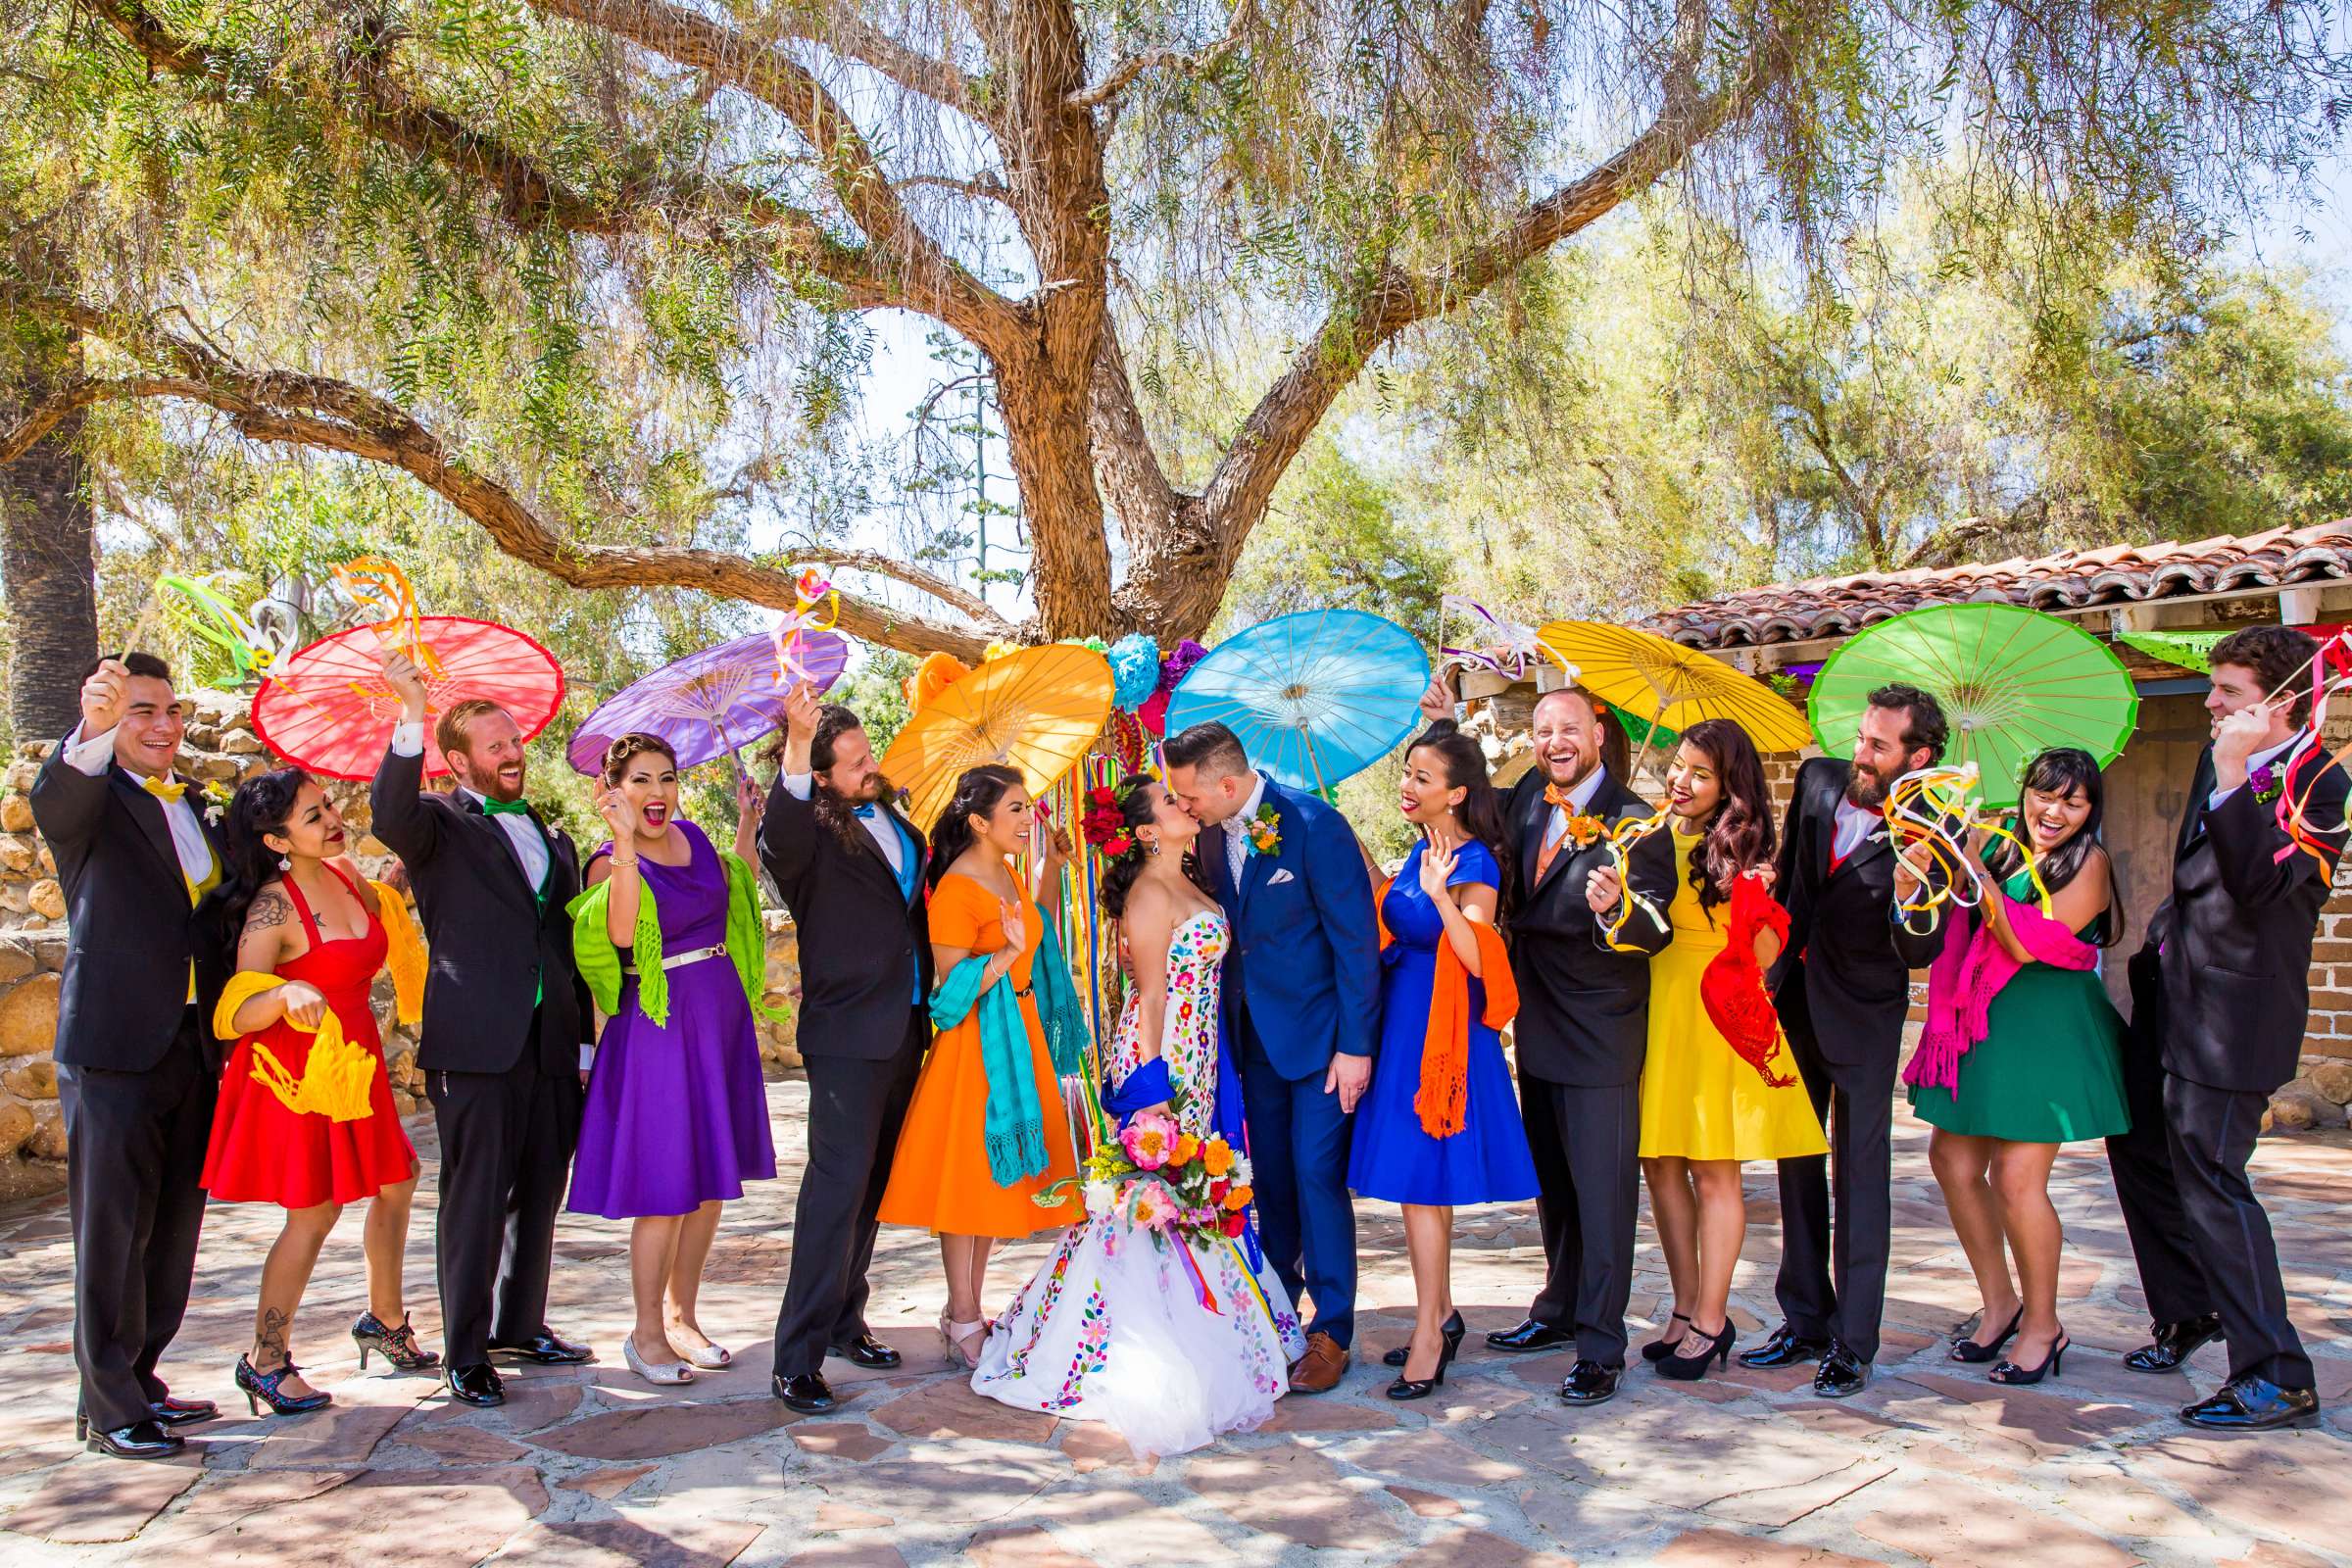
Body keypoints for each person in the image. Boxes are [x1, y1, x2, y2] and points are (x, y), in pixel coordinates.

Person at [973, 774, 1305, 1455]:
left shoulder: (1192, 878)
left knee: (1189, 1195)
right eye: (1169, 802)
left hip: (1204, 1058)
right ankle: (1148, 1339)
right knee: (1153, 1200)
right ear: (1147, 830)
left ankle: (1211, 1324)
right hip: (1165, 1060)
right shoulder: (1150, 895)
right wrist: (1153, 1087)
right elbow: (1149, 997)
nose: (1184, 804)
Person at [2107, 625, 2347, 1430]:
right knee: (2138, 1147)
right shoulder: (2221, 765)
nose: (2211, 703)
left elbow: (2259, 891)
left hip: (2234, 1020)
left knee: (2215, 1183)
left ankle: (2277, 1374)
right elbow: (2194, 883)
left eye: (2229, 692)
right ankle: (2190, 1310)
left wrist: (2239, 773)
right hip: (2172, 1003)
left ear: (2279, 704)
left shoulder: (2321, 783)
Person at [1431, 677, 1676, 1409]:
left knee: (1602, 1197)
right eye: (1542, 731)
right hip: (1535, 1025)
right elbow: (1463, 808)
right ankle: (1558, 1311)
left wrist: (1617, 910)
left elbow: (1654, 929)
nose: (1554, 743)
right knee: (1558, 1188)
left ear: (1599, 734)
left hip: (1601, 1031)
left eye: (1568, 729)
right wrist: (1447, 733)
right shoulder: (1523, 802)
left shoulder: (1639, 822)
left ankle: (1601, 1347)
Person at [371, 651, 596, 1409]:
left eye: (514, 740)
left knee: (539, 1189)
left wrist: (585, 1041)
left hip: (551, 1043)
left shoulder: (551, 834)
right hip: (475, 1044)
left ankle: (519, 1325)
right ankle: (465, 1352)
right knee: (473, 1198)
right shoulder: (434, 824)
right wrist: (409, 716)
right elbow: (388, 816)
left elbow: (565, 943)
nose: (512, 753)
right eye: (495, 745)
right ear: (458, 760)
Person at [29, 654, 232, 1459]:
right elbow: (56, 794)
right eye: (141, 711)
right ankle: (108, 1406)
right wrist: (90, 726)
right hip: (114, 1045)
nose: (162, 725)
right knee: (111, 1229)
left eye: (170, 710)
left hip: (191, 1042)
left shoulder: (196, 805)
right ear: (112, 717)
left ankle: (143, 1379)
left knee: (174, 1224)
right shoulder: (88, 800)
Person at [1589, 719, 1826, 1384]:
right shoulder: (1651, 835)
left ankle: (1714, 1318)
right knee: (1661, 1164)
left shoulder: (1747, 854)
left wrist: (1755, 902)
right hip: (1660, 1007)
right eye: (1677, 766)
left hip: (1715, 1015)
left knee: (1714, 1170)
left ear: (1729, 785)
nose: (1680, 780)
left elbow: (1765, 956)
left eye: (1699, 772)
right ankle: (1686, 1305)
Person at [203, 769, 438, 1415]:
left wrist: (390, 888)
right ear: (278, 842)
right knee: (315, 1210)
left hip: (354, 1056)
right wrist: (280, 992)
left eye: (328, 804)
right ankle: (265, 1360)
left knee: (400, 1177)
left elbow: (378, 929)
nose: (333, 819)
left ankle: (384, 1321)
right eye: (313, 816)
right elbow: (236, 1006)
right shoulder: (273, 908)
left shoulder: (344, 876)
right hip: (300, 1071)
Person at [1742, 683, 1947, 1398]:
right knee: (1795, 1163)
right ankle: (1804, 1320)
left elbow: (1920, 949)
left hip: (1864, 1015)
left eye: (1878, 746)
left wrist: (1915, 892)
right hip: (1795, 1001)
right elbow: (1798, 889)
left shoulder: (1935, 833)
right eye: (1861, 737)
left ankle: (1853, 1344)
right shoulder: (1819, 781)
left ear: (1917, 756)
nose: (1860, 753)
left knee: (1860, 1179)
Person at [1165, 721, 1382, 1394]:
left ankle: (1333, 1329)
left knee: (1318, 1175)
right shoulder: (1206, 833)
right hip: (1250, 1041)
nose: (1185, 807)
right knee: (1275, 1179)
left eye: (1189, 796)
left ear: (1227, 785)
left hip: (1321, 1042)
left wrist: (1355, 1048)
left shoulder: (1316, 825)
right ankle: (1279, 1310)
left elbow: (1355, 944)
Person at [1900, 747, 2128, 1386]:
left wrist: (1978, 873)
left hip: (2045, 1032)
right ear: (2024, 790)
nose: (2052, 811)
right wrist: (1939, 859)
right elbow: (1949, 918)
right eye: (2043, 794)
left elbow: (2027, 941)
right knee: (1952, 1160)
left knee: (2018, 1179)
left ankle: (2043, 1325)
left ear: (2090, 810)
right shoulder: (1996, 844)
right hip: (1984, 1023)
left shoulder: (2091, 863)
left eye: (2071, 801)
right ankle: (2000, 1304)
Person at [568, 734, 779, 1384]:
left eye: (665, 778)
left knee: (710, 1183)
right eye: (640, 781)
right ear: (615, 791)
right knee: (665, 1189)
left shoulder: (693, 838)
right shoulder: (609, 863)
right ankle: (645, 1335)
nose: (656, 792)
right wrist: (626, 843)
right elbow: (625, 935)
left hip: (717, 1022)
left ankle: (683, 1317)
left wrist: (747, 821)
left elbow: (731, 889)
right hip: (658, 1029)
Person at [1348, 720, 1536, 1399]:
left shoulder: (1475, 862)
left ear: (1455, 793)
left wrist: (1435, 896)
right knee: (1413, 1185)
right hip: (1404, 1027)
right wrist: (1371, 861)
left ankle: (1431, 1333)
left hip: (1444, 1037)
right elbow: (1390, 919)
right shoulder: (1418, 852)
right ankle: (1443, 1313)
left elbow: (1478, 953)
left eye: (1422, 778)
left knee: (1426, 1187)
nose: (1408, 786)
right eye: (1408, 773)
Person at [875, 764, 1086, 1368]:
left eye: (1027, 807)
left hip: (1021, 1037)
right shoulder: (958, 887)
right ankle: (961, 1310)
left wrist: (1051, 872)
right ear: (979, 821)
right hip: (976, 1048)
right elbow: (948, 991)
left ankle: (968, 1306)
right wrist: (1007, 954)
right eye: (1016, 809)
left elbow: (1033, 932)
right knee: (969, 1184)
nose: (1028, 818)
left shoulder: (1009, 871)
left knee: (996, 1182)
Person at [762, 686, 927, 1415]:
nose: (871, 766)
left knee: (873, 1187)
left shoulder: (897, 820)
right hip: (846, 1035)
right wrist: (797, 744)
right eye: (855, 761)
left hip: (907, 1027)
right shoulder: (807, 839)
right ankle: (794, 1358)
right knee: (833, 1189)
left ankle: (843, 1319)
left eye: (870, 752)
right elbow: (780, 833)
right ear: (822, 775)